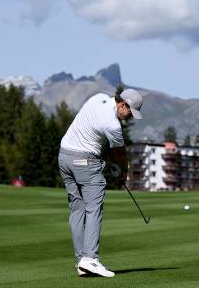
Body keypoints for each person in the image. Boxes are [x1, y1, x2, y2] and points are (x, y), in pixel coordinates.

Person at [58, 87, 143, 277]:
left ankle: (82, 261)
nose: (129, 117)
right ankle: (91, 259)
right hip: (84, 161)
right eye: (130, 112)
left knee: (77, 207)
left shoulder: (98, 98)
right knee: (94, 208)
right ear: (123, 104)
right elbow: (119, 153)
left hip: (63, 157)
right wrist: (124, 171)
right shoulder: (112, 125)